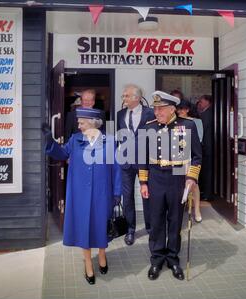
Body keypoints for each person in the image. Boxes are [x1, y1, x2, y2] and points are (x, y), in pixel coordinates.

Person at [42, 107, 122, 285]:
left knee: (101, 225)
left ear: (93, 123)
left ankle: (102, 255)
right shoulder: (75, 139)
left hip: (102, 193)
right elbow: (61, 154)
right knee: (84, 228)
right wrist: (50, 141)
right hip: (80, 194)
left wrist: (117, 192)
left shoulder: (109, 141)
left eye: (81, 122)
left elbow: (116, 169)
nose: (78, 125)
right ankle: (88, 264)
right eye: (79, 122)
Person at [138, 91, 202, 281]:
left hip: (177, 177)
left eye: (160, 109)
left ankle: (173, 258)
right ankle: (157, 258)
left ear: (172, 109)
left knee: (175, 221)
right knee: (156, 220)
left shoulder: (187, 125)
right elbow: (142, 157)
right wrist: (143, 182)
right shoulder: (148, 127)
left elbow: (197, 155)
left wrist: (191, 178)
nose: (156, 112)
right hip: (155, 177)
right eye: (155, 109)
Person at [116, 84, 155, 245]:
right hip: (126, 162)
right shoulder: (120, 114)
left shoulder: (150, 113)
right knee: (128, 196)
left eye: (126, 95)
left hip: (145, 162)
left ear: (137, 98)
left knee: (148, 194)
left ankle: (151, 228)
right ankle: (130, 230)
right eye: (123, 96)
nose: (123, 98)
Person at [176, 99, 204, 223]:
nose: (180, 111)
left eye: (183, 109)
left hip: (192, 157)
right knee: (179, 185)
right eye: (179, 109)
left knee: (193, 185)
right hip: (178, 156)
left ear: (188, 109)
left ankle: (197, 210)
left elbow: (199, 139)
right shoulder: (175, 122)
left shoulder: (195, 122)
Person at [197, 94, 213, 201]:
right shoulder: (205, 112)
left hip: (207, 147)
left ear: (208, 102)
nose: (199, 103)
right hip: (207, 146)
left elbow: (202, 130)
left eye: (201, 101)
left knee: (207, 171)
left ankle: (207, 194)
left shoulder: (207, 114)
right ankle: (205, 192)